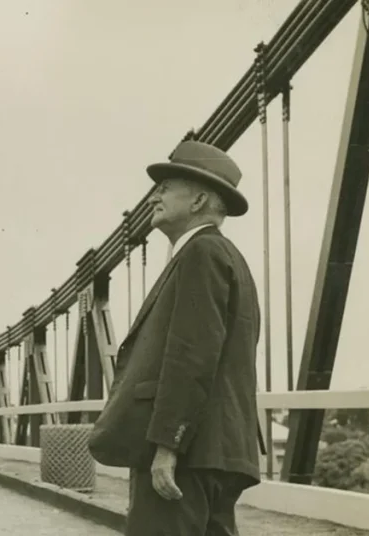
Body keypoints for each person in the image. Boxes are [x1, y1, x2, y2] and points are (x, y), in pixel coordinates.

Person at [86, 140, 262, 535]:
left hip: (186, 455)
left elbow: (192, 356)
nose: (154, 197)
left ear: (199, 200)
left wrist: (168, 446)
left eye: (165, 188)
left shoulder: (201, 253)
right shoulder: (230, 258)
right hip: (216, 452)